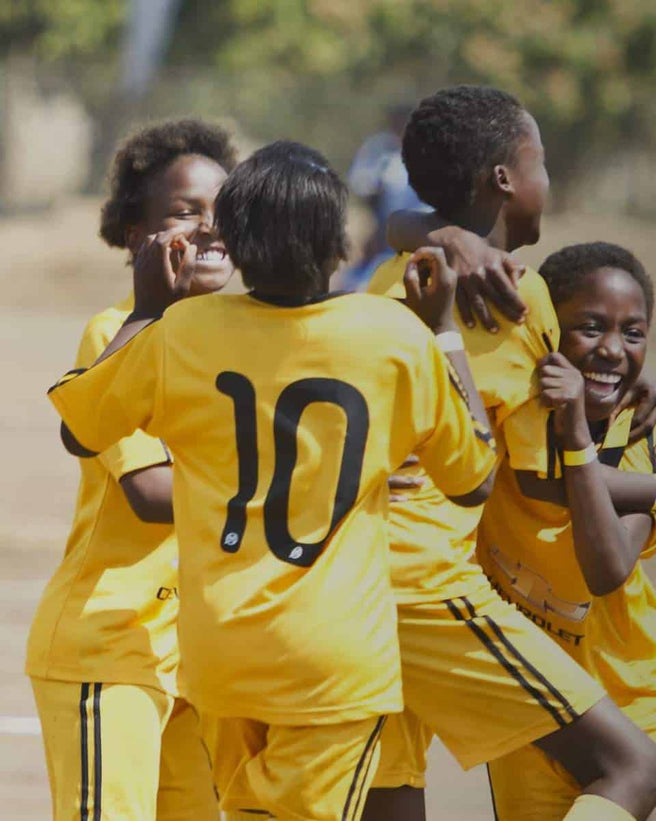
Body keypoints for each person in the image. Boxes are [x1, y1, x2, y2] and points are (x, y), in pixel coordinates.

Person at [47, 140, 498, 821]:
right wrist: (443, 335)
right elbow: (472, 481)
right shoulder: (390, 334)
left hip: (219, 654)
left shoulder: (184, 331)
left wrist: (146, 309)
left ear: (238, 240)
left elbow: (80, 427)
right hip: (332, 661)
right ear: (338, 244)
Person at [359, 85, 656, 821]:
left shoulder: (387, 285)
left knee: (391, 794)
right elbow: (546, 480)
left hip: (345, 587)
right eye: (539, 160)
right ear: (505, 180)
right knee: (632, 767)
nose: (551, 179)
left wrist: (438, 232)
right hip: (427, 583)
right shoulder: (518, 300)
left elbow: (404, 226)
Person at [28, 118, 236, 821]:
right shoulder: (121, 329)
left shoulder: (241, 338)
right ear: (132, 234)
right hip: (111, 643)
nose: (210, 229)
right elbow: (150, 492)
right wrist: (291, 488)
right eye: (185, 213)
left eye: (223, 211)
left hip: (202, 656)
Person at [483, 241, 656, 821]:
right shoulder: (506, 418)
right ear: (549, 332)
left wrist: (578, 434)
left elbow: (606, 568)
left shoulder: (648, 433)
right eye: (589, 328)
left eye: (633, 333)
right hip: (532, 706)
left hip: (632, 695)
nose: (612, 351)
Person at [339, 104, 428, 291]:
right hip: (385, 239)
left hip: (422, 241)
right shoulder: (379, 148)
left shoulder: (430, 152)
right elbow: (363, 187)